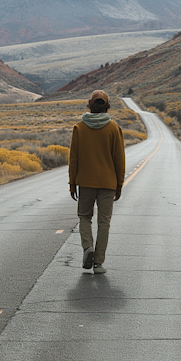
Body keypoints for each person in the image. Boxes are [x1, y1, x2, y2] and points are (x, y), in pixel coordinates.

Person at [69, 89, 125, 274]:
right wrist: (119, 184)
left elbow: (74, 159)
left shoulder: (79, 128)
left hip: (85, 182)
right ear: (107, 107)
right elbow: (119, 160)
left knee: (85, 217)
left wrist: (72, 183)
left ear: (90, 105)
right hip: (108, 184)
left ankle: (88, 248)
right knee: (104, 223)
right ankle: (98, 263)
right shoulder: (114, 129)